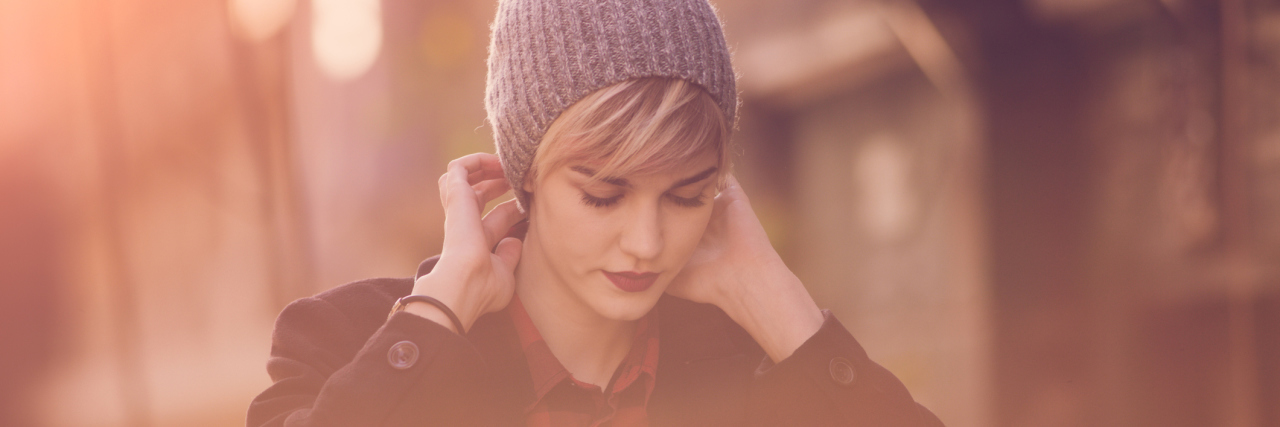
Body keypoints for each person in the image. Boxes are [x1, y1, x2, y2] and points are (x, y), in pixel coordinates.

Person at [248, 0, 944, 426]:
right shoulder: (342, 342)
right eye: (603, 195)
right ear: (525, 173)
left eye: (686, 196)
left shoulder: (757, 363)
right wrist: (436, 315)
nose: (646, 241)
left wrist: (781, 304)